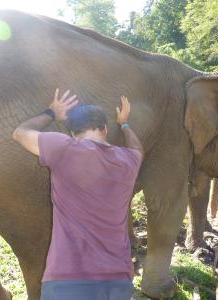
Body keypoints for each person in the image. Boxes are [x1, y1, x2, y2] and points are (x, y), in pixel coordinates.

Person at [12, 88, 144, 300]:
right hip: (119, 281)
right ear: (104, 129)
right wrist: (125, 124)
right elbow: (138, 149)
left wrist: (51, 113)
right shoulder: (128, 160)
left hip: (68, 280)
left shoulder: (64, 148)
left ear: (72, 133)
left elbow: (20, 133)